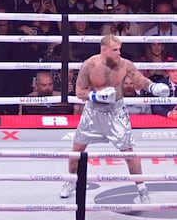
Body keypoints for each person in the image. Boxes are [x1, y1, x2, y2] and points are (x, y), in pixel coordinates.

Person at [63, 32, 168, 202]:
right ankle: (70, 182)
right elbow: (79, 92)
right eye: (115, 50)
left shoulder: (125, 65)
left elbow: (139, 79)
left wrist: (153, 87)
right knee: (76, 151)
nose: (119, 53)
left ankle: (142, 189)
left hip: (116, 113)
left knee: (129, 154)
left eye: (119, 49)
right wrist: (96, 96)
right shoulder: (89, 65)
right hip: (93, 112)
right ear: (103, 50)